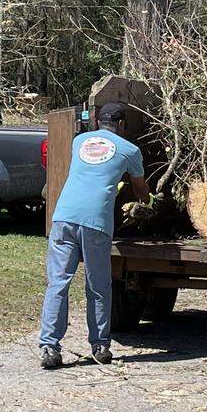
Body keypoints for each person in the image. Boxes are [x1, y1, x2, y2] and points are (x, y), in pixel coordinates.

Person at [39, 102, 149, 369]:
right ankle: (100, 346)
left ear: (98, 121)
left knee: (58, 283)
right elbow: (140, 189)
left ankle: (49, 348)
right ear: (122, 125)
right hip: (95, 222)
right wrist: (147, 202)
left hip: (64, 216)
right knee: (98, 286)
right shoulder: (129, 150)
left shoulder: (79, 141)